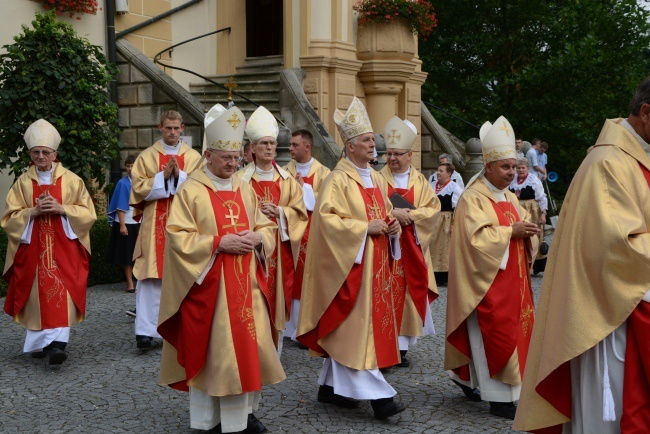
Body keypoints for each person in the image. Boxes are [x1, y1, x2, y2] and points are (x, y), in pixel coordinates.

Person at [514, 78, 650, 433]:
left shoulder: (634, 158)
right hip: (606, 318)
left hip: (623, 305)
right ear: (647, 114)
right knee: (609, 415)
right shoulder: (609, 164)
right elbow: (617, 249)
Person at [157, 106, 283, 433]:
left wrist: (259, 237)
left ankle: (242, 417)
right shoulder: (192, 191)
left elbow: (266, 226)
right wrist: (217, 244)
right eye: (226, 158)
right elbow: (177, 237)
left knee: (247, 350)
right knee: (217, 354)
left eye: (237, 158)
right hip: (209, 289)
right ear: (209, 155)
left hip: (246, 286)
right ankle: (208, 420)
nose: (233, 164)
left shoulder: (243, 188)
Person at [297, 97, 405, 420]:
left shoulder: (377, 178)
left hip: (377, 268)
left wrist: (393, 225)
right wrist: (363, 228)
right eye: (367, 140)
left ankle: (330, 388)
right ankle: (380, 397)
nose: (374, 145)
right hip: (352, 268)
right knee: (354, 331)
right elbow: (327, 222)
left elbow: (383, 214)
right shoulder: (338, 179)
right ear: (350, 146)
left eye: (373, 139)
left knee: (359, 330)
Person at [444, 116, 540, 420]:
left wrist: (529, 236)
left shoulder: (510, 197)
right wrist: (510, 233)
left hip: (516, 281)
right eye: (505, 167)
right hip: (487, 283)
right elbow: (473, 241)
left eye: (513, 167)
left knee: (517, 331)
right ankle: (500, 398)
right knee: (495, 334)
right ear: (488, 167)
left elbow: (520, 230)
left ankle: (477, 382)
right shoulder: (473, 198)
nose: (511, 173)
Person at [2, 119, 97, 366]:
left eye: (46, 152)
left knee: (61, 294)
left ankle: (57, 345)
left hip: (64, 252)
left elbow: (88, 213)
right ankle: (43, 343)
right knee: (36, 297)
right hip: (33, 251)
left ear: (55, 154)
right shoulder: (22, 183)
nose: (41, 156)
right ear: (31, 154)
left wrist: (62, 209)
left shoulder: (73, 181)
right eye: (36, 152)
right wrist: (31, 213)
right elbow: (8, 218)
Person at [129, 110, 202, 350]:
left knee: (183, 275)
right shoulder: (147, 156)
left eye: (176, 128)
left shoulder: (193, 157)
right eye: (167, 128)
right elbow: (138, 188)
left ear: (183, 129)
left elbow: (201, 187)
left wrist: (179, 176)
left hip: (185, 223)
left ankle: (179, 328)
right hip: (154, 223)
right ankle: (145, 332)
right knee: (150, 277)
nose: (172, 132)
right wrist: (162, 177)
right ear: (160, 127)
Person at [236, 107, 308, 346]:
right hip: (251, 250)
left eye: (272, 143)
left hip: (279, 251)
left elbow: (300, 214)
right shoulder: (240, 181)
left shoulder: (287, 182)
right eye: (263, 143)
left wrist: (280, 213)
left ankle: (274, 350)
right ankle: (249, 345)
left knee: (276, 297)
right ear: (252, 148)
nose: (269, 147)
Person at [379, 116, 440, 368]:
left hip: (412, 248)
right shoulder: (376, 179)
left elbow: (433, 210)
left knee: (407, 293)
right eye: (389, 153)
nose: (392, 158)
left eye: (397, 154)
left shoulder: (421, 182)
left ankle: (402, 347)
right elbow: (369, 209)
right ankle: (384, 341)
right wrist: (392, 214)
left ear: (410, 155)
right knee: (385, 292)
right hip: (385, 248)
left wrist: (410, 216)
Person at [282, 129, 330, 344]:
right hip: (289, 232)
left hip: (313, 234)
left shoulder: (324, 173)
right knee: (289, 277)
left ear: (307, 147)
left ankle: (308, 326)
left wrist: (306, 190)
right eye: (290, 145)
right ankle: (289, 327)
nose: (290, 149)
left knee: (308, 278)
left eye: (294, 145)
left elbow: (330, 202)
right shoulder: (284, 171)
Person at [509, 158, 548, 274]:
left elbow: (542, 197)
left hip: (531, 211)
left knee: (532, 236)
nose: (520, 170)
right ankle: (518, 262)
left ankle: (536, 264)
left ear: (528, 169)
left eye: (523, 168)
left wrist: (543, 213)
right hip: (516, 209)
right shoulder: (512, 180)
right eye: (518, 168)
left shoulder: (533, 180)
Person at [107, 155, 140, 293]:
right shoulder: (122, 183)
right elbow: (120, 206)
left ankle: (141, 282)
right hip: (126, 221)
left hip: (140, 222)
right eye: (128, 166)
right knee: (127, 255)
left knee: (140, 255)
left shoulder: (143, 182)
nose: (130, 169)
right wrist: (122, 225)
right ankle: (130, 283)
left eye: (132, 165)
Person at [430, 162, 464, 286]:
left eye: (441, 171)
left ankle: (444, 277)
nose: (438, 173)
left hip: (446, 221)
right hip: (433, 220)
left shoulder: (455, 188)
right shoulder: (431, 185)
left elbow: (459, 208)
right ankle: (432, 274)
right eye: (438, 170)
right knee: (432, 248)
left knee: (445, 249)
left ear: (449, 174)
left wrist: (454, 225)